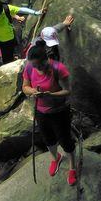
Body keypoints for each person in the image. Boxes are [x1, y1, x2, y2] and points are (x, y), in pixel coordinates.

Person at [22, 40, 77, 186]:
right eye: (35, 66)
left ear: (46, 59)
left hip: (59, 111)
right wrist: (33, 91)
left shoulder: (59, 68)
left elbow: (67, 90)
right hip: (41, 111)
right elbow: (25, 87)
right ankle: (56, 158)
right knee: (48, 139)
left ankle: (72, 167)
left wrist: (51, 95)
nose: (38, 68)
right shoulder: (29, 68)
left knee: (65, 140)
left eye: (40, 65)